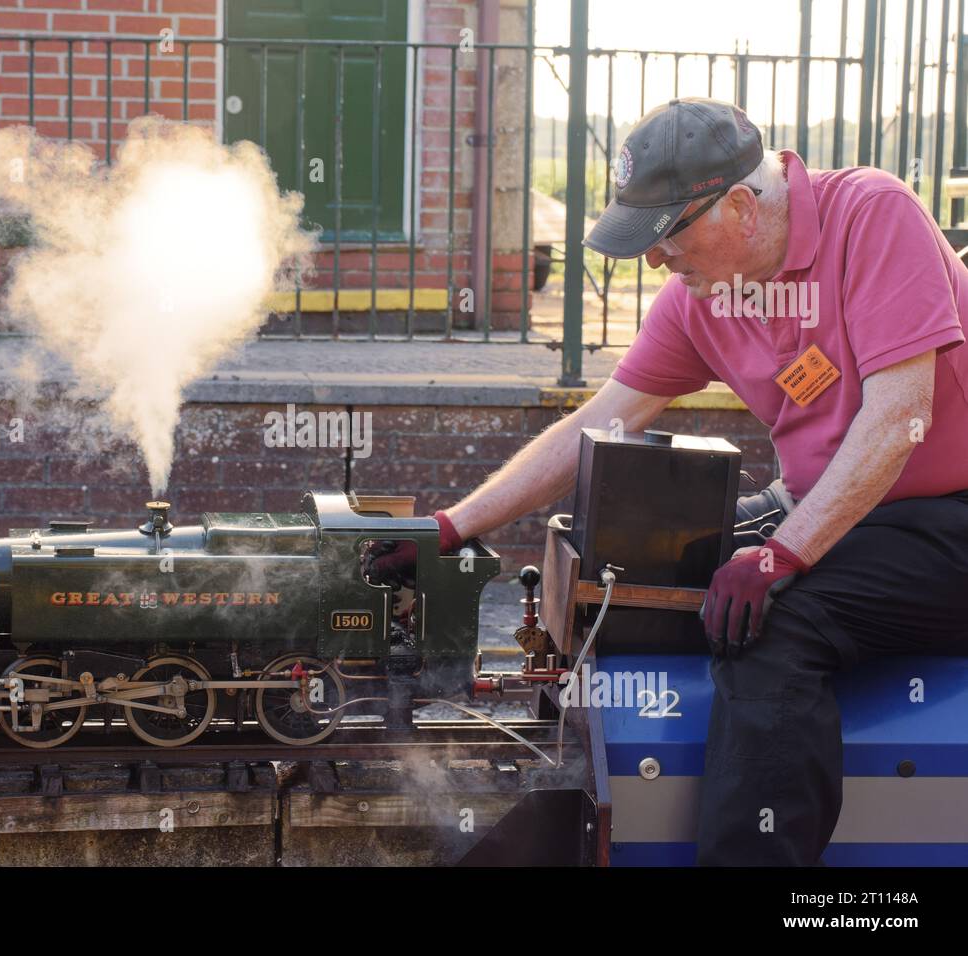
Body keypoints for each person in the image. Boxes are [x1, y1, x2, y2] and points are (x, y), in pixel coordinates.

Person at [377, 97, 968, 865]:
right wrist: (453, 527)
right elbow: (601, 426)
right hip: (844, 509)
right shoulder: (701, 297)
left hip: (948, 518)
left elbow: (900, 421)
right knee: (633, 562)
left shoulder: (874, 216)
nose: (655, 260)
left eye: (667, 235)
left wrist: (781, 556)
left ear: (741, 208)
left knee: (775, 626)